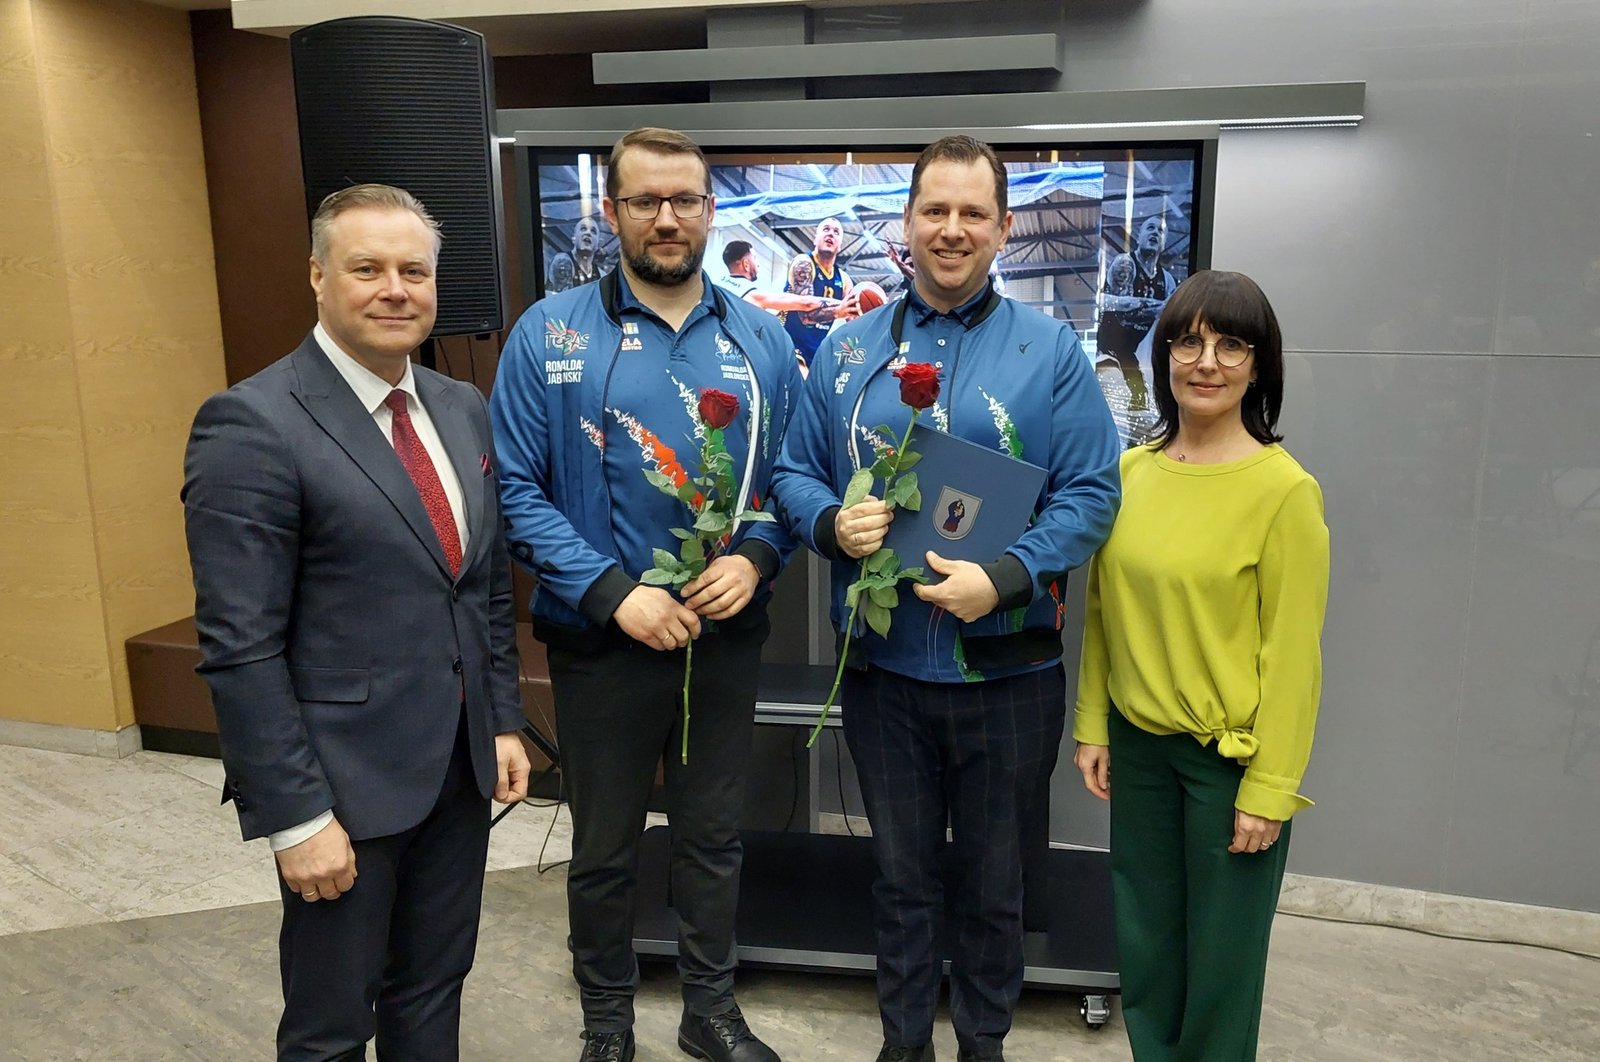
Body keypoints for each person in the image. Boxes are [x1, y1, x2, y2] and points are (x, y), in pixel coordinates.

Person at [771, 135, 1121, 1062]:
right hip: (885, 673)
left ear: (1003, 228)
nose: (952, 229)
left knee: (997, 885)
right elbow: (794, 472)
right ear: (907, 223)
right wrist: (829, 523)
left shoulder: (1051, 353)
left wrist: (1002, 578)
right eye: (935, 210)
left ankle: (982, 1046)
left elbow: (1092, 496)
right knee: (901, 879)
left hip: (1010, 673)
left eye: (973, 213)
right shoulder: (849, 351)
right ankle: (904, 1048)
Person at [182, 183, 532, 1060]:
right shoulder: (251, 423)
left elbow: (482, 585)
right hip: (342, 787)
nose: (395, 290)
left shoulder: (460, 405)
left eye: (415, 271)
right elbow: (239, 647)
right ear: (317, 276)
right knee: (331, 1026)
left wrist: (501, 721)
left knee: (433, 991)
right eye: (367, 268)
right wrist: (295, 818)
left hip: (456, 773)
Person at [490, 127, 802, 1062]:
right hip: (601, 645)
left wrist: (756, 556)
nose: (666, 218)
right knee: (603, 849)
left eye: (685, 200)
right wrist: (610, 592)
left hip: (723, 641)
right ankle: (608, 1024)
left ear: (710, 210)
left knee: (713, 838)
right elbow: (516, 490)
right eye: (644, 201)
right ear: (611, 211)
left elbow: (791, 479)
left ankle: (710, 1012)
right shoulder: (547, 334)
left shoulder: (761, 338)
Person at [1072, 269, 1330, 1061]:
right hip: (1139, 750)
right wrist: (1093, 725)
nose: (1207, 362)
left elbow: (1293, 656)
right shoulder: (1132, 474)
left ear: (1259, 365)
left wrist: (1271, 789)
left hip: (1228, 766)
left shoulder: (1284, 492)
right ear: (1164, 357)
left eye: (1231, 345)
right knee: (1147, 946)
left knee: (1221, 966)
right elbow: (1104, 611)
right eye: (1188, 341)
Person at [1095, 213, 1179, 410]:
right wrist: (1157, 307)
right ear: (1138, 236)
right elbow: (1113, 305)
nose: (1155, 233)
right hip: (1109, 346)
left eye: (1160, 231)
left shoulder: (1167, 280)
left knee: (1141, 398)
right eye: (1150, 228)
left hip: (1133, 349)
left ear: (1164, 242)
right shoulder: (1125, 263)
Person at [780, 215, 855, 369]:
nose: (831, 233)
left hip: (816, 353)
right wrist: (839, 310)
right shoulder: (804, 263)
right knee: (801, 378)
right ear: (815, 239)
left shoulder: (844, 279)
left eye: (836, 232)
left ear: (840, 246)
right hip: (788, 344)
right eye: (826, 229)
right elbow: (806, 316)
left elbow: (854, 320)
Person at [721, 238, 834, 322]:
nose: (758, 264)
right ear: (746, 264)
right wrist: (839, 305)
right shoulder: (749, 293)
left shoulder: (721, 283)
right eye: (755, 258)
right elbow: (805, 303)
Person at [547, 214, 605, 292]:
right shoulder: (562, 260)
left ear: (598, 244)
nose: (588, 233)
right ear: (574, 238)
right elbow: (563, 297)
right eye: (583, 229)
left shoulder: (601, 274)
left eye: (593, 231)